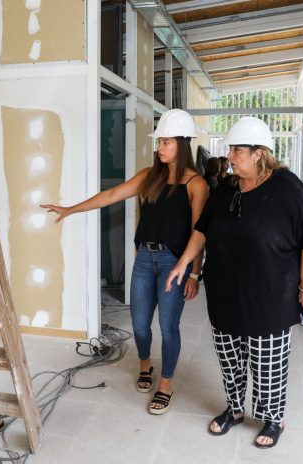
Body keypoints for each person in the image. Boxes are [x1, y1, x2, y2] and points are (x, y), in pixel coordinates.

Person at [165, 116, 303, 448]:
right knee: (230, 359)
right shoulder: (226, 188)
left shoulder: (287, 187)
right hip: (226, 293)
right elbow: (202, 230)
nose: (231, 154)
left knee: (268, 364)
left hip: (270, 296)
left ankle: (273, 417)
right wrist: (184, 264)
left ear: (259, 153)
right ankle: (234, 409)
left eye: (238, 149)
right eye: (231, 149)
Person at [41, 109, 208, 415]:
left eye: (166, 142)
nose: (159, 147)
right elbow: (112, 195)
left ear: (182, 144)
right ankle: (146, 365)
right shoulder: (149, 176)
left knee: (168, 327)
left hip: (175, 263)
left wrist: (194, 274)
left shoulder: (197, 184)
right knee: (140, 324)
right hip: (145, 258)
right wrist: (70, 209)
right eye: (159, 141)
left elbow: (200, 232)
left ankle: (166, 385)